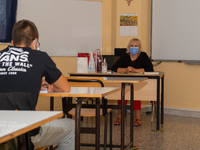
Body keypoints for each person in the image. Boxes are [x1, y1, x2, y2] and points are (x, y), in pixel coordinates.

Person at [0, 20, 75, 150]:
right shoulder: (40, 57)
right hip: (24, 135)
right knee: (71, 127)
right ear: (35, 42)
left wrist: (34, 82)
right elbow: (65, 88)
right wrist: (48, 83)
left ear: (12, 42)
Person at [111, 38, 153, 126]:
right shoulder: (125, 56)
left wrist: (135, 70)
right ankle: (119, 117)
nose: (133, 48)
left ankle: (138, 118)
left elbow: (149, 69)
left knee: (136, 94)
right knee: (121, 94)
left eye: (135, 46)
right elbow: (114, 68)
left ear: (139, 48)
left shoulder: (143, 56)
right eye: (132, 46)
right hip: (125, 81)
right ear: (129, 47)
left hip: (139, 83)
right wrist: (125, 69)